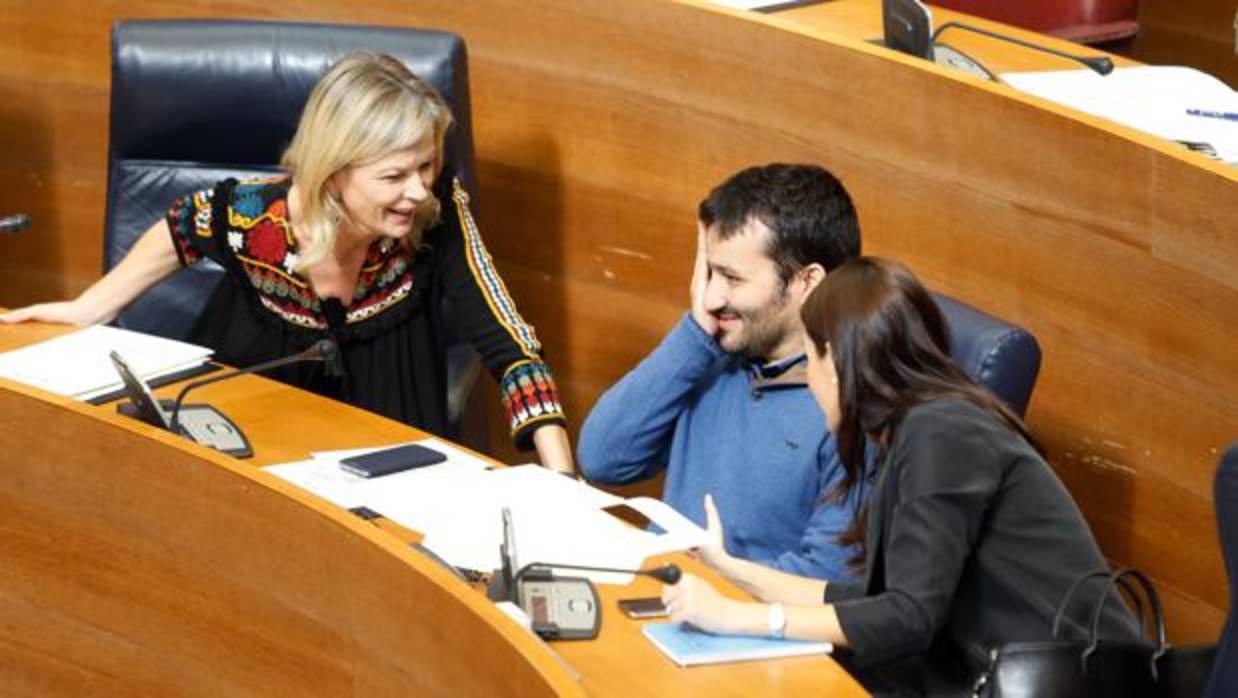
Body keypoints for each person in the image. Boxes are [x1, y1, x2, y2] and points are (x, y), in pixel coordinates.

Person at [0, 52, 573, 473]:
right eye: (394, 176)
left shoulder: (437, 208)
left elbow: (508, 339)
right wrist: (89, 307)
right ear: (333, 172)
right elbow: (182, 226)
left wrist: (562, 478)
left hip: (389, 428)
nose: (418, 192)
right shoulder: (252, 218)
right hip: (256, 424)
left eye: (425, 167)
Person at [661, 257, 1138, 694]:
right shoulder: (914, 431)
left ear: (836, 362)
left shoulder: (942, 433)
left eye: (811, 359)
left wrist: (742, 619)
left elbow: (907, 618)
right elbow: (872, 600)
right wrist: (728, 568)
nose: (808, 380)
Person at [577, 164, 862, 579]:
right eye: (709, 272)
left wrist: (706, 582)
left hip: (748, 627)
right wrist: (696, 335)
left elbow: (825, 581)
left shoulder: (849, 407)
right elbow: (604, 459)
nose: (710, 297)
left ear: (807, 282)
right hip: (667, 599)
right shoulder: (712, 355)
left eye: (731, 277)